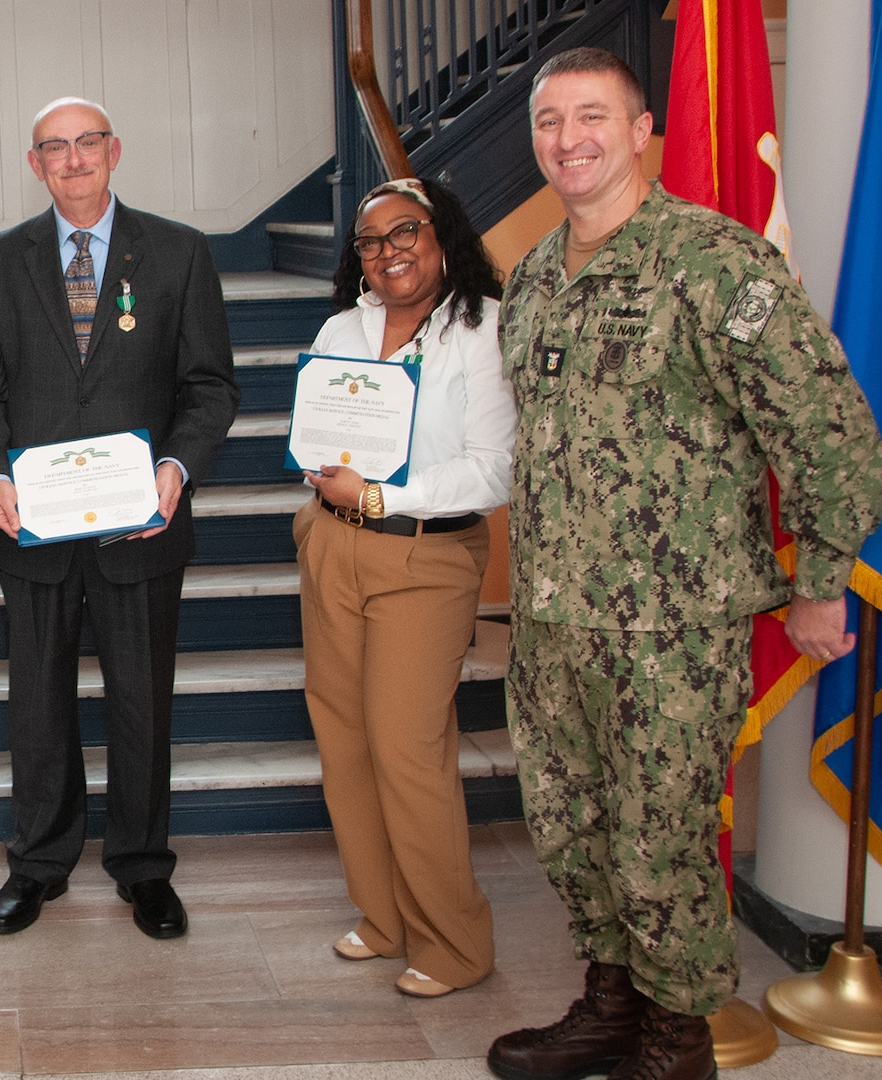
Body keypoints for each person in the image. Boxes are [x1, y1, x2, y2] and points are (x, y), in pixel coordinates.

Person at [489, 48, 882, 1080]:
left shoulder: (714, 263)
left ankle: (676, 1038)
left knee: (658, 841)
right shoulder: (533, 275)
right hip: (551, 620)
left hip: (670, 625)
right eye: (547, 122)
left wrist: (820, 577)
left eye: (591, 117)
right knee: (571, 833)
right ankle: (610, 1004)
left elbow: (825, 426)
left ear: (641, 130)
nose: (567, 139)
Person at [0, 97, 239, 939]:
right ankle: (38, 864)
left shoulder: (180, 253)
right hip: (32, 527)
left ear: (114, 150)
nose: (73, 160)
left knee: (141, 703)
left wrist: (175, 468)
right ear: (33, 162)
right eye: (54, 147)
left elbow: (211, 386)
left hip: (138, 526)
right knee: (37, 707)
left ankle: (143, 866)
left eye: (86, 143)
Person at [294, 176, 513, 999]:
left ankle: (455, 943)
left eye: (405, 233)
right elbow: (316, 439)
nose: (389, 252)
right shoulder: (339, 329)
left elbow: (491, 468)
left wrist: (385, 497)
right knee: (344, 739)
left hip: (424, 555)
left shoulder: (483, 331)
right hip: (333, 543)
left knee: (406, 748)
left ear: (441, 236)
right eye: (371, 241)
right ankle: (384, 917)